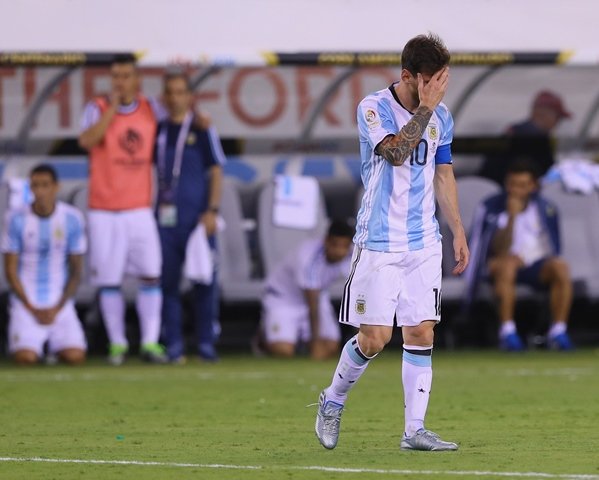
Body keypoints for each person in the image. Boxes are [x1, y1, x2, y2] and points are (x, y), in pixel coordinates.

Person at [314, 33, 469, 452]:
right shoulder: (373, 108)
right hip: (379, 241)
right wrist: (427, 107)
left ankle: (414, 430)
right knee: (375, 338)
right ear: (407, 76)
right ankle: (333, 399)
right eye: (431, 80)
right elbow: (397, 153)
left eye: (443, 80)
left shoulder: (442, 116)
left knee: (421, 331)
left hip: (424, 242)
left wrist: (457, 230)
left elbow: (443, 174)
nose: (439, 88)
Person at [79, 58, 167, 365]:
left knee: (151, 274)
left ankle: (149, 343)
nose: (119, 82)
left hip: (139, 208)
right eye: (115, 76)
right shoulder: (97, 107)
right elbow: (87, 141)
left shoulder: (150, 108)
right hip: (104, 209)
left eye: (125, 76)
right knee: (109, 279)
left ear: (137, 79)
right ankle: (118, 344)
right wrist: (112, 110)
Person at [155, 71, 226, 363]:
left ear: (189, 97)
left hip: (198, 221)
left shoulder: (202, 129)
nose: (175, 98)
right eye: (169, 93)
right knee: (167, 284)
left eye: (180, 92)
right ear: (164, 98)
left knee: (205, 284)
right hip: (164, 220)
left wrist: (212, 210)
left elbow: (217, 171)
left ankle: (206, 344)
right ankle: (174, 344)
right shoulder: (156, 130)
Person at [466, 160, 573, 351]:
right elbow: (494, 249)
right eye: (512, 184)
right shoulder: (492, 206)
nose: (516, 190)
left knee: (560, 267)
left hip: (536, 265)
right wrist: (512, 217)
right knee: (507, 264)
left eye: (522, 185)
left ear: (533, 186)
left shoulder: (547, 208)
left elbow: (553, 247)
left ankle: (558, 331)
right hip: (501, 264)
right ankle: (507, 331)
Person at [1, 164, 87, 365]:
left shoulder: (72, 218)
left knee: (75, 357)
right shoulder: (16, 219)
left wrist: (57, 307)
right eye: (35, 186)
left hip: (59, 303)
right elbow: (10, 270)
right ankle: (26, 342)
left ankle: (53, 347)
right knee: (25, 358)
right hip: (26, 303)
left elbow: (76, 271)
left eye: (45, 185)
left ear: (56, 187)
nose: (39, 192)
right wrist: (31, 307)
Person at [261, 220, 353, 360]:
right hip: (284, 299)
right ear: (326, 241)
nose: (339, 251)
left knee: (331, 347)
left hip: (319, 297)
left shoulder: (352, 255)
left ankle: (298, 341)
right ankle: (262, 337)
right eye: (335, 245)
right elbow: (311, 301)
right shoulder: (308, 256)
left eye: (344, 246)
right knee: (283, 351)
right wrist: (316, 343)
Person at [479, 90, 572, 185]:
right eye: (558, 118)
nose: (557, 124)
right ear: (543, 114)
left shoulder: (514, 131)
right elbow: (548, 174)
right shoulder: (537, 139)